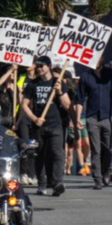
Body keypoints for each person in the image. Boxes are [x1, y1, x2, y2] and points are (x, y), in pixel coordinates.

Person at [23, 58, 74, 196]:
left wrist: (59, 91)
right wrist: (34, 118)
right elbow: (24, 105)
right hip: (39, 127)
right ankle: (42, 184)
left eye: (42, 66)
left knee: (57, 153)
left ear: (49, 66)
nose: (39, 68)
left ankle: (57, 183)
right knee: (39, 155)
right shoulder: (33, 84)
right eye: (37, 66)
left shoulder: (58, 82)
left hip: (55, 125)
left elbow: (67, 105)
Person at [79, 63, 112, 189]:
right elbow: (80, 97)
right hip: (92, 117)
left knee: (109, 149)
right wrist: (77, 117)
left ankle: (105, 170)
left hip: (108, 117)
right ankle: (97, 178)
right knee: (96, 150)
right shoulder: (86, 76)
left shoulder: (111, 74)